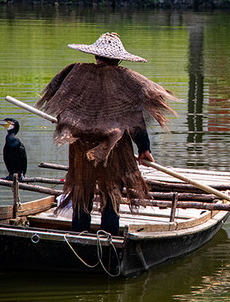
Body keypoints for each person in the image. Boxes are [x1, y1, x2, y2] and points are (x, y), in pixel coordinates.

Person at [36, 31, 178, 235]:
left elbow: (63, 109)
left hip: (81, 146)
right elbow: (135, 120)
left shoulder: (76, 74)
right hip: (114, 148)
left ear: (95, 56)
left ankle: (78, 237)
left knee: (81, 191)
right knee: (111, 192)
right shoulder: (126, 79)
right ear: (118, 59)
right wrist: (144, 148)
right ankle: (109, 238)